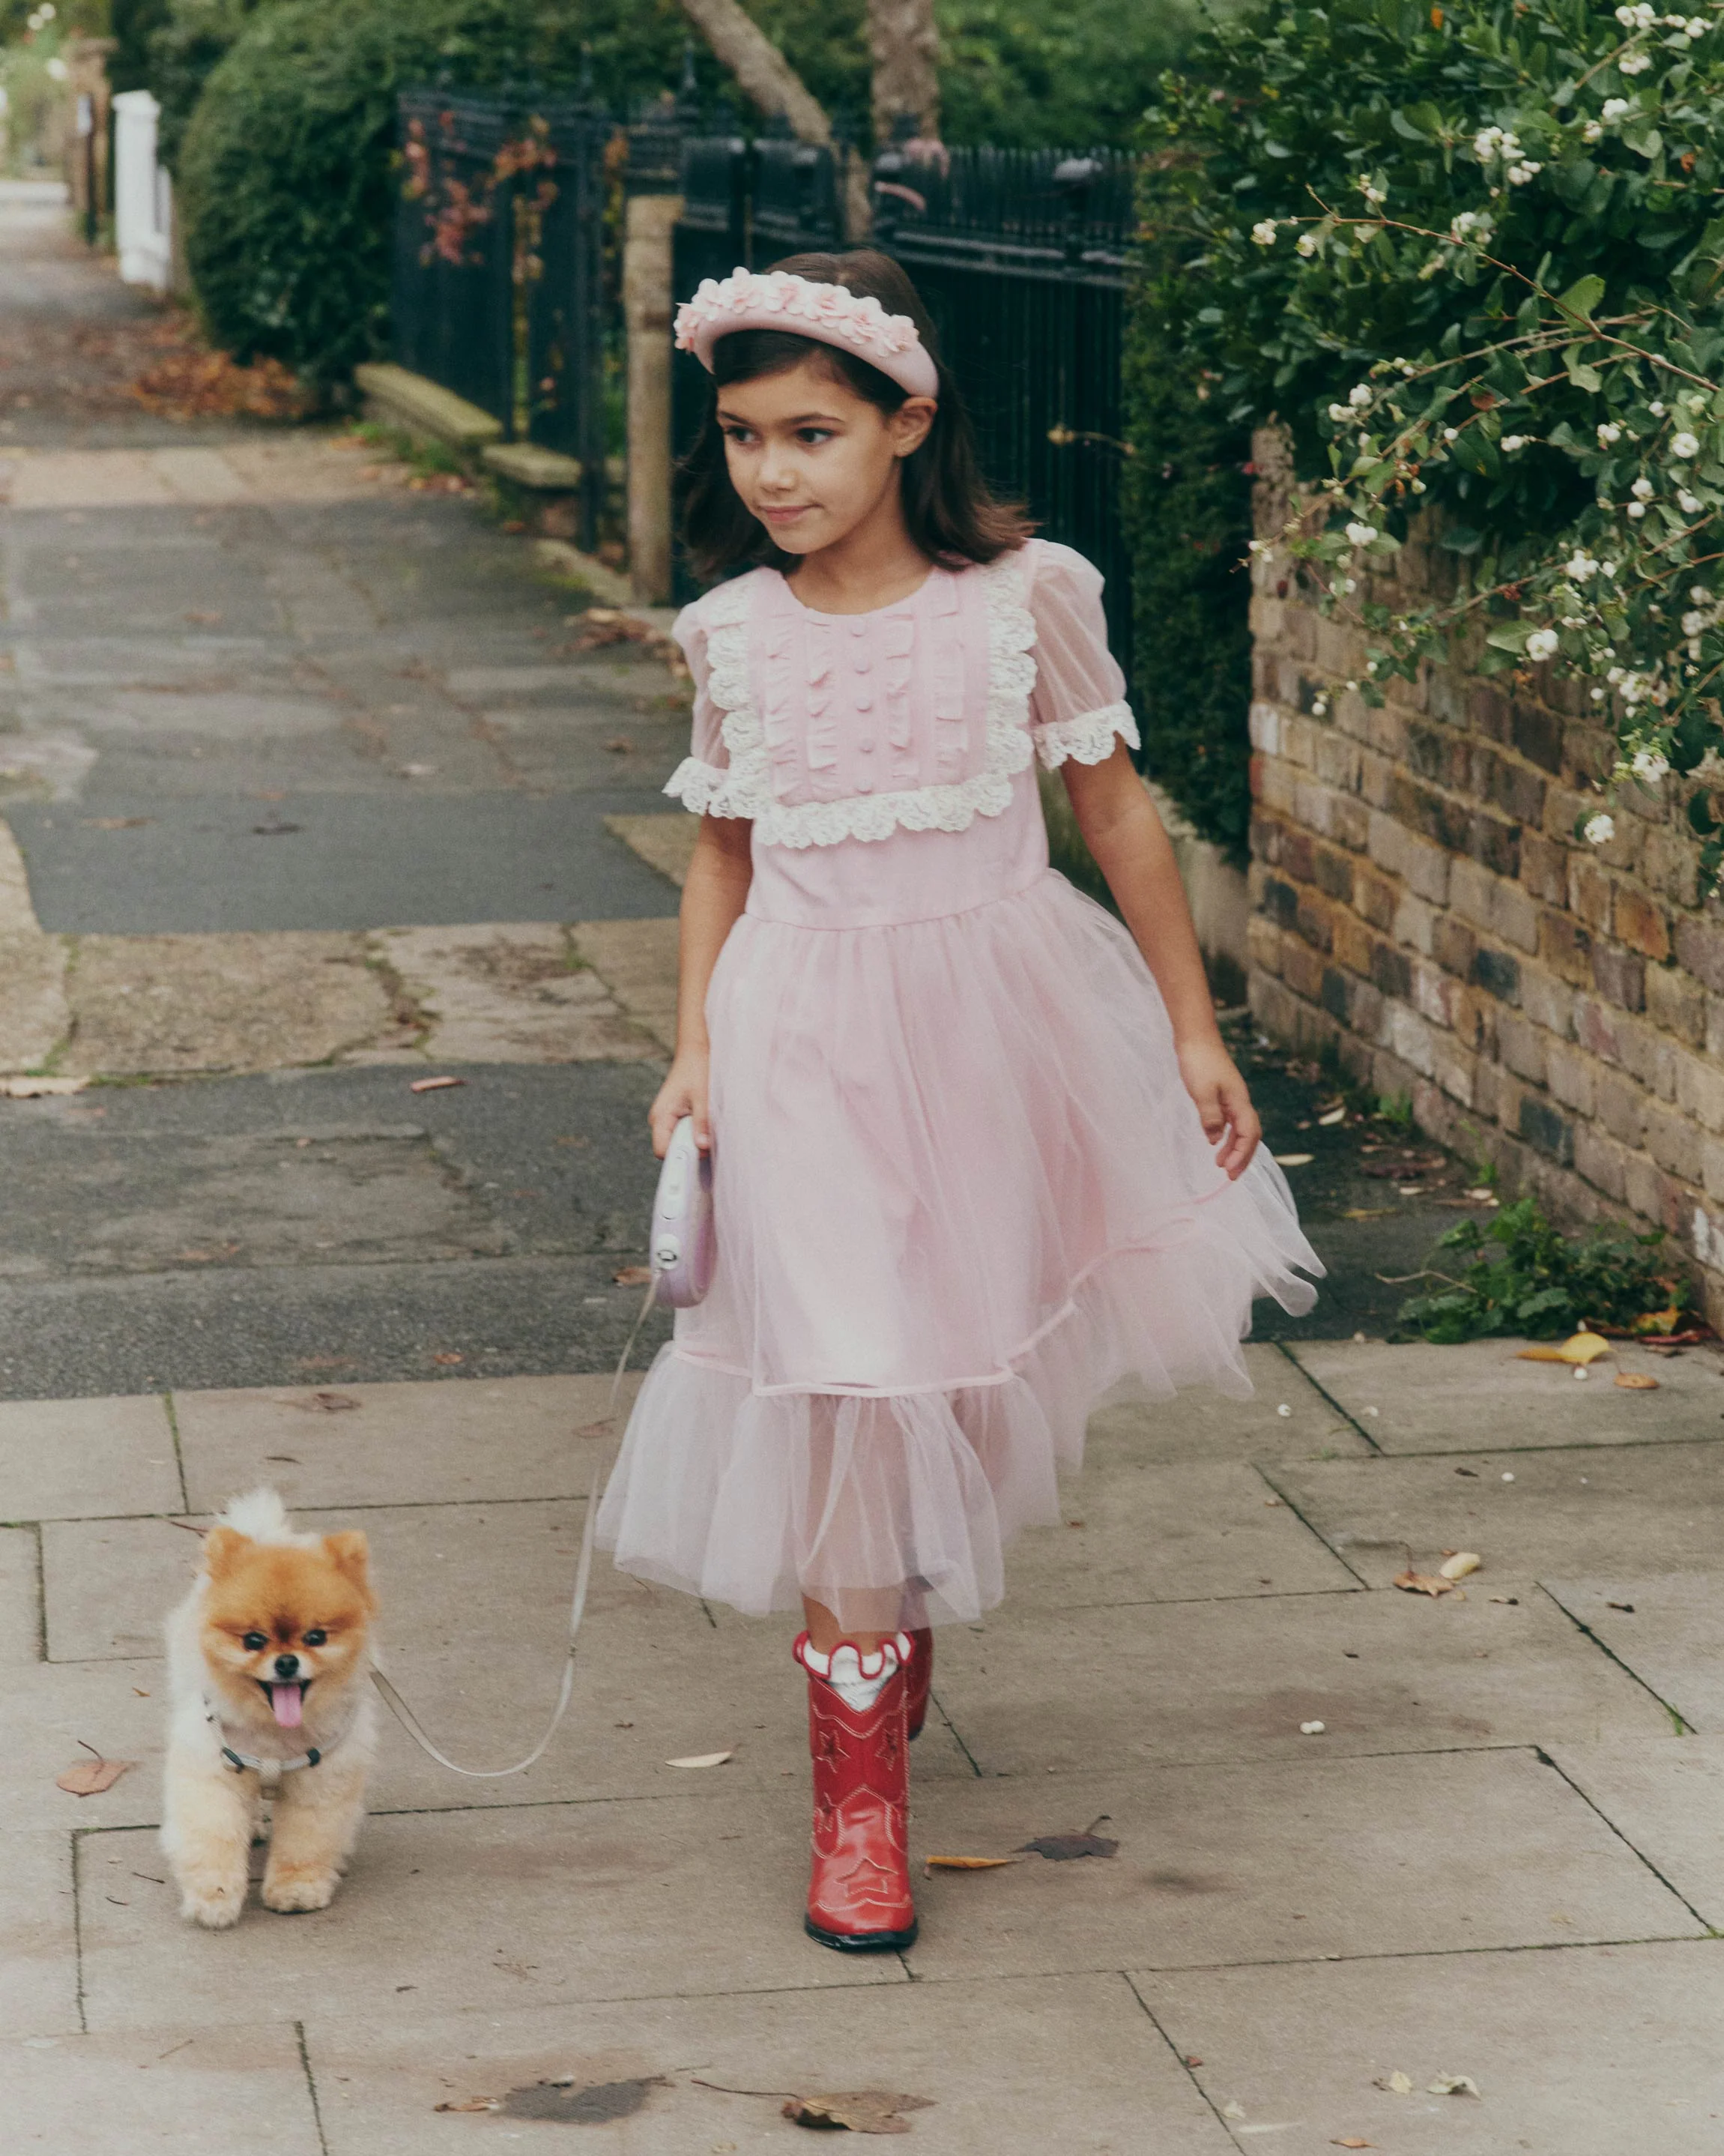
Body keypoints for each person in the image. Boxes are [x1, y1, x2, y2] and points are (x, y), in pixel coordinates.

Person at [596, 250, 1320, 1954]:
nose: (770, 472)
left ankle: (893, 1619)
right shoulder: (730, 635)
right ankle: (857, 1803)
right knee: (852, 1378)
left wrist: (1191, 1027)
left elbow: (1120, 819)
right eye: (742, 436)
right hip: (801, 1038)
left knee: (966, 1367)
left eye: (811, 433)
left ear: (907, 426)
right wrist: (691, 1048)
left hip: (995, 1025)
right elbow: (720, 853)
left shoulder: (1023, 601)